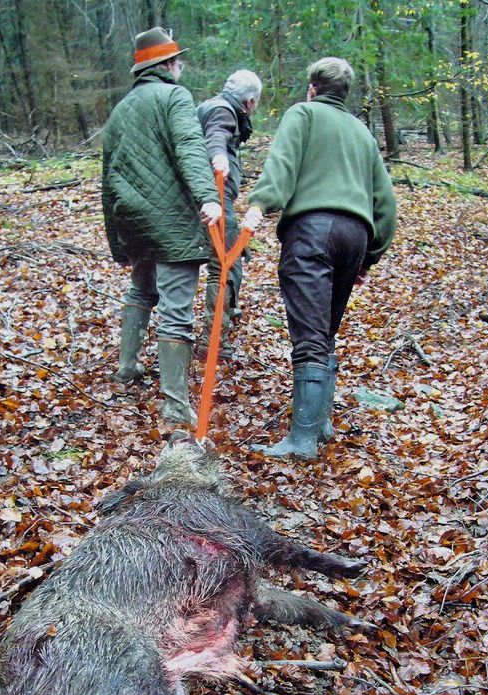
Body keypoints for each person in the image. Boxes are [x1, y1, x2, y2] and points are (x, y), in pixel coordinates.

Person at [242, 57, 397, 459]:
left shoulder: (304, 114)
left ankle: (302, 441)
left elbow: (282, 166)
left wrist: (260, 204)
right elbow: (386, 205)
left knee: (309, 335)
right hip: (355, 236)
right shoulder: (362, 133)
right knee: (325, 331)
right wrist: (369, 256)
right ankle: (321, 424)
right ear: (344, 93)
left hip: (311, 232)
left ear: (313, 88)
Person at [101, 27, 222, 426]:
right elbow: (189, 145)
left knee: (141, 289)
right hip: (170, 221)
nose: (180, 65)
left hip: (133, 218)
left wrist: (116, 239)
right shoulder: (174, 96)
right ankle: (174, 406)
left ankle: (126, 368)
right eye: (177, 59)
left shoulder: (120, 109)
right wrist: (208, 196)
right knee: (176, 311)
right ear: (168, 65)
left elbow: (108, 176)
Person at [196, 69, 262, 358]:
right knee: (224, 267)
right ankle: (213, 340)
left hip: (204, 199)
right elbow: (216, 137)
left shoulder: (209, 106)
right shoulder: (223, 112)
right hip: (215, 202)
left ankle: (219, 325)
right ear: (249, 102)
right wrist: (219, 157)